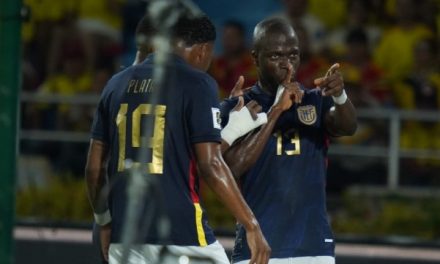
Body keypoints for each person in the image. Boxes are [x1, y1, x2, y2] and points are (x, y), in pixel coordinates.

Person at [85, 15, 272, 264]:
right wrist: (251, 224)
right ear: (203, 49)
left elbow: (94, 168)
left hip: (126, 235)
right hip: (182, 236)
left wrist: (103, 221)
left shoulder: (115, 84)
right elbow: (210, 164)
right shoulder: (198, 82)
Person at [220, 17, 357, 264]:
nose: (287, 65)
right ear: (255, 58)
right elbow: (231, 168)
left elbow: (348, 127)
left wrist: (339, 96)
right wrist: (276, 111)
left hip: (313, 245)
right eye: (276, 57)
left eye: (293, 55)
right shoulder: (239, 107)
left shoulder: (315, 99)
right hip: (258, 247)